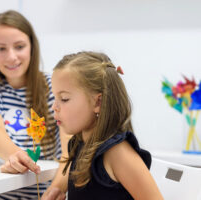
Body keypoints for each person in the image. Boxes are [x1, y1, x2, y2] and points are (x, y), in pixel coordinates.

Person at [43, 51, 164, 199]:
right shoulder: (78, 145)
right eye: (54, 98)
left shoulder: (117, 153)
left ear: (98, 102)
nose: (54, 107)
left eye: (64, 99)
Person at [0, 10, 69, 199]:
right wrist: (15, 155)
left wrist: (56, 190)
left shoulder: (53, 86)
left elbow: (69, 152)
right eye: (1, 48)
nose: (11, 57)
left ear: (32, 47)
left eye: (19, 46)